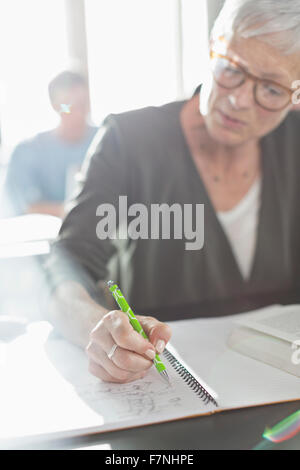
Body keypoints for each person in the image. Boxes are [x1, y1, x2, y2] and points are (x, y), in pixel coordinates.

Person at [45, 0, 300, 384]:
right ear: (212, 47)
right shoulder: (129, 143)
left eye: (271, 89)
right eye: (230, 69)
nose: (239, 99)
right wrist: (98, 327)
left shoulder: (294, 143)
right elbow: (67, 268)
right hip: (162, 386)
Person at [3, 70, 98, 217]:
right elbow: (27, 207)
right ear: (55, 106)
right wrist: (77, 213)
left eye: (82, 105)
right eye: (68, 106)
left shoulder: (107, 141)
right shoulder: (27, 152)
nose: (78, 113)